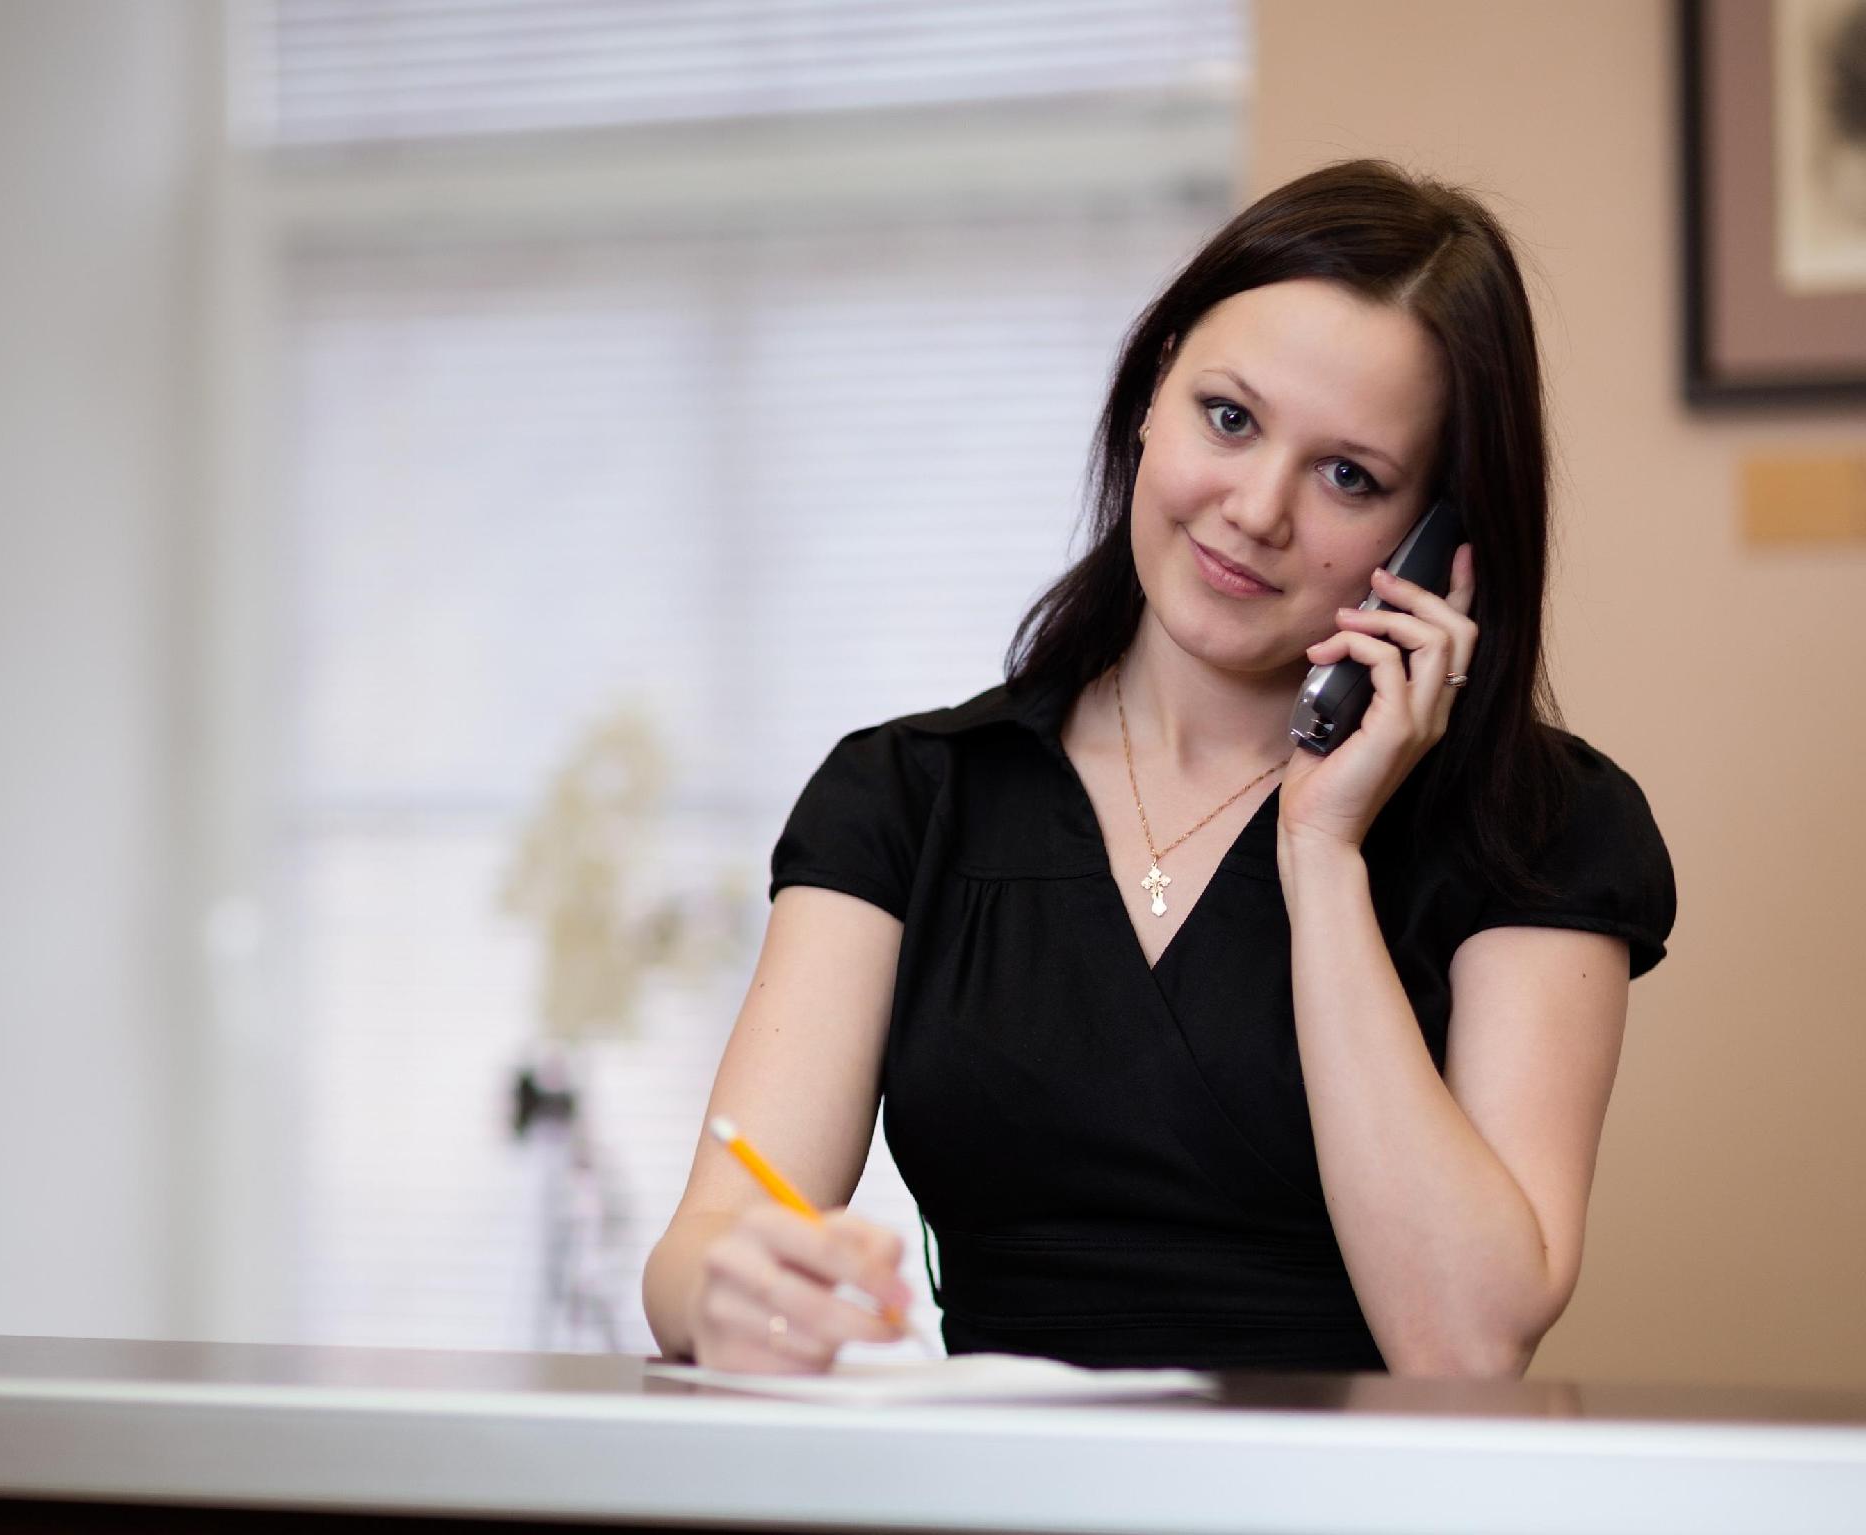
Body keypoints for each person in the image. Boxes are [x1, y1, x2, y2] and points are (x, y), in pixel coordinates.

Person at [640, 160, 1676, 1377]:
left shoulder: (1537, 828)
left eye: (1349, 475)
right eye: (1227, 418)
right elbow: (696, 1252)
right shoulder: (906, 796)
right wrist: (733, 1287)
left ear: (1434, 541)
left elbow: (1463, 1341)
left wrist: (1321, 850)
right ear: (1152, 391)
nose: (1253, 509)